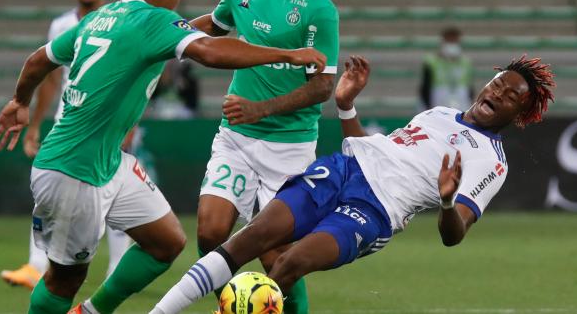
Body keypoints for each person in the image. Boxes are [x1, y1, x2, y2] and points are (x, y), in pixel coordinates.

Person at [0, 0, 327, 314]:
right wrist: (289, 54)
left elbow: (39, 59)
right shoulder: (153, 21)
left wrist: (20, 101)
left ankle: (91, 311)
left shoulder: (101, 17)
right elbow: (211, 52)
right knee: (63, 279)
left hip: (107, 161)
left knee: (165, 241)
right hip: (73, 170)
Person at [151, 54, 556, 314]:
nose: (498, 93)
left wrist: (448, 202)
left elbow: (455, 234)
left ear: (519, 113)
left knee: (288, 265)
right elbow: (370, 148)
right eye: (498, 83)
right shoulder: (440, 113)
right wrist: (346, 104)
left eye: (511, 96)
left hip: (374, 212)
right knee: (252, 237)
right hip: (344, 169)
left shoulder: (490, 161)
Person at [188, 0, 339, 313]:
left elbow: (323, 87)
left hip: (289, 146)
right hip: (236, 137)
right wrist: (167, 32)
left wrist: (261, 109)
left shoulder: (318, 7)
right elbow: (213, 27)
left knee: (280, 262)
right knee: (210, 232)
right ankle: (238, 306)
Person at [0, 0, 134, 289]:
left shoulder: (121, 22)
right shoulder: (61, 26)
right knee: (49, 192)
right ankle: (36, 266)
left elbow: (133, 78)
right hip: (69, 124)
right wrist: (35, 124)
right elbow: (50, 79)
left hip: (108, 125)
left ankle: (116, 269)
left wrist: (130, 126)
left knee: (116, 197)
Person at [419, 26, 474, 111]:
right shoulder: (431, 61)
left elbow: (469, 85)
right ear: (443, 42)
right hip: (438, 99)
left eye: (454, 41)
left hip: (461, 99)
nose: (452, 44)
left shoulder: (465, 62)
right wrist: (428, 106)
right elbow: (425, 86)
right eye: (449, 41)